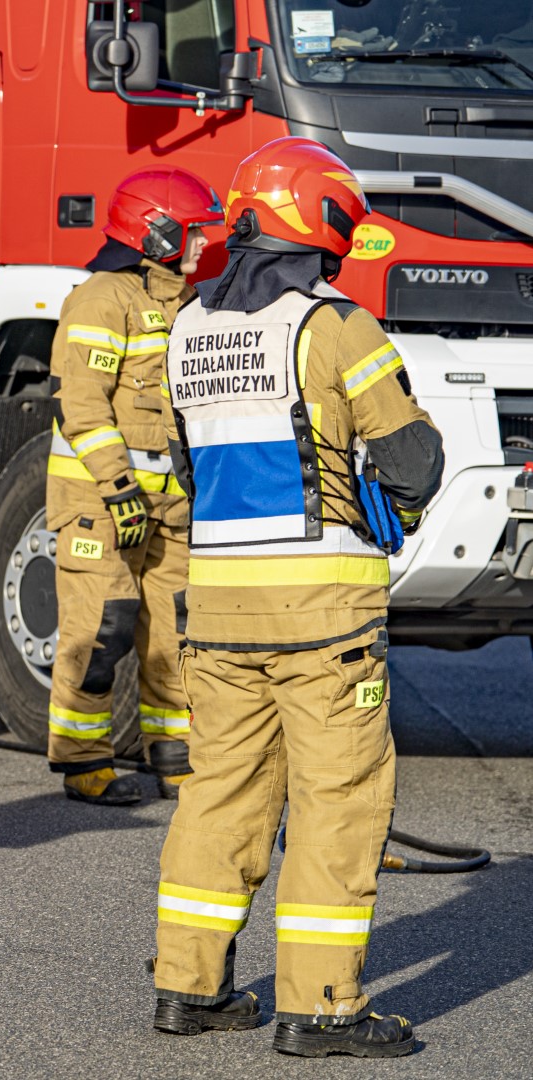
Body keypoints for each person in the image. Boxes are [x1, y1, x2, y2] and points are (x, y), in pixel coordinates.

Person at [151, 137, 443, 1059]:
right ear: (321, 222)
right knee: (336, 801)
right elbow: (411, 459)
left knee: (218, 796)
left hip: (217, 611)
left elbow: (190, 469)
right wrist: (389, 498)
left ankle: (189, 990)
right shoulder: (333, 325)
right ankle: (321, 1008)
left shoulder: (188, 326)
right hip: (324, 620)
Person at [45, 166, 224, 805]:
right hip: (102, 500)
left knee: (177, 632)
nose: (205, 244)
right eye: (193, 233)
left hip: (171, 504)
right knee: (102, 627)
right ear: (154, 234)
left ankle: (174, 755)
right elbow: (80, 403)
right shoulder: (102, 298)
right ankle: (82, 761)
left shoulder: (190, 303)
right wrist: (118, 486)